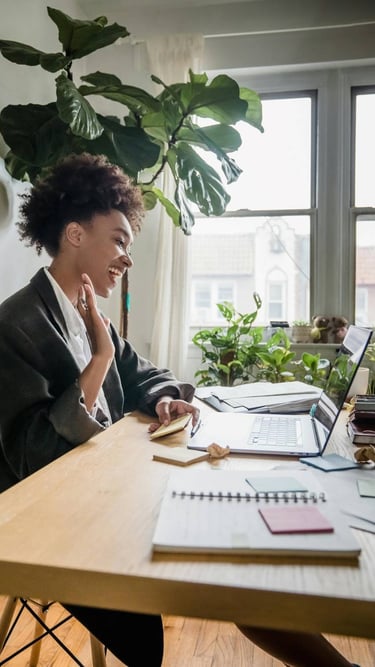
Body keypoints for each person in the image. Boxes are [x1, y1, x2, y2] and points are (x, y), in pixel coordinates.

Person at [0, 153, 359, 667]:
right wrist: (100, 359)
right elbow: (32, 455)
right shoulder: (14, 324)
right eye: (119, 240)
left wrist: (164, 396)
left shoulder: (86, 313)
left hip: (107, 490)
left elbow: (146, 374)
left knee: (235, 545)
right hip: (53, 524)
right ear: (75, 235)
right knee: (224, 557)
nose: (127, 257)